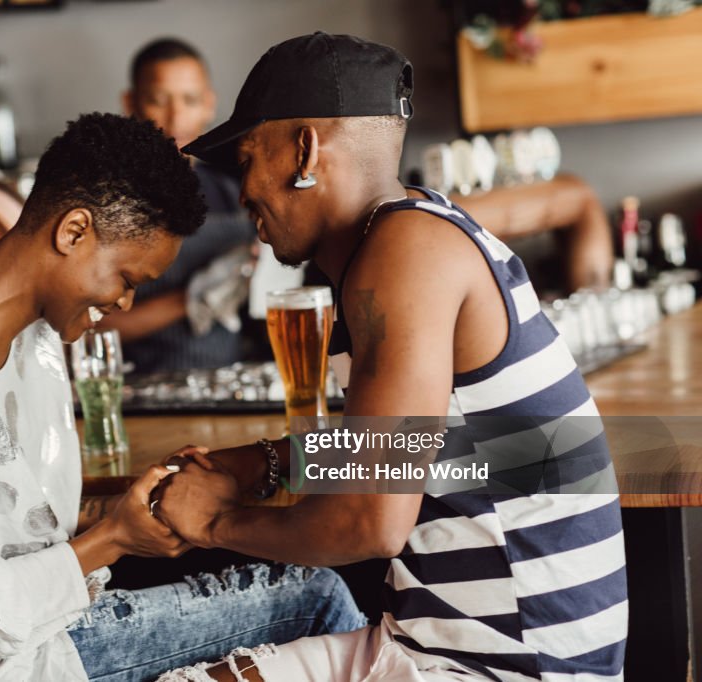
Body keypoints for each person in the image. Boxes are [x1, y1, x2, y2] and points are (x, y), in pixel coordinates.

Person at [154, 33, 628, 681]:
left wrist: (213, 521)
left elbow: (370, 518)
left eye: (246, 158)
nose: (243, 194)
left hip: (507, 666)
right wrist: (259, 462)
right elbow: (449, 454)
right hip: (445, 643)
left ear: (305, 150)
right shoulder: (414, 230)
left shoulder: (404, 254)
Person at [0, 112, 363, 682]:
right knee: (317, 599)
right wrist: (116, 538)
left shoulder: (13, 317)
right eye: (128, 280)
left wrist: (120, 512)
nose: (127, 304)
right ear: (74, 231)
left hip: (38, 634)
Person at [101, 38, 257, 373]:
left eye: (190, 100)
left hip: (228, 383)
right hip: (140, 389)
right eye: (159, 100)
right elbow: (87, 330)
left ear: (209, 104)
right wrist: (191, 301)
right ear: (130, 103)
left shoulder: (236, 191)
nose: (176, 117)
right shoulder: (108, 203)